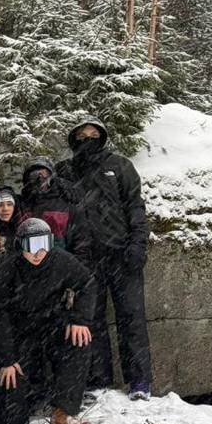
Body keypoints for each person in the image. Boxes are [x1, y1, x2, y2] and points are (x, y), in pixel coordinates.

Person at [55, 118, 153, 398]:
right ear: (74, 139)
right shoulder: (65, 171)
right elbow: (47, 203)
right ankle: (98, 380)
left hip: (122, 255)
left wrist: (138, 244)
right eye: (83, 135)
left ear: (103, 137)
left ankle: (140, 382)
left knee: (132, 318)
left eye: (94, 134)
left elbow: (135, 207)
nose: (88, 138)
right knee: (92, 318)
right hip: (85, 259)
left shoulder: (120, 165)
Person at [0, 218, 96, 424]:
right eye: (32, 245)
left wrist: (79, 319)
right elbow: (0, 316)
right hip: (21, 334)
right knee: (12, 377)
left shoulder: (60, 260)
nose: (38, 252)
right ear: (21, 245)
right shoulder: (8, 269)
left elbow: (87, 283)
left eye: (43, 244)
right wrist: (7, 357)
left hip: (54, 325)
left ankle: (63, 412)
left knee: (80, 342)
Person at [18, 158, 90, 260]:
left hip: (60, 265)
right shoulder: (21, 204)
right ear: (27, 180)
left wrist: (77, 267)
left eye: (43, 174)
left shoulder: (66, 204)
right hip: (29, 263)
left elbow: (81, 241)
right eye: (34, 175)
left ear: (51, 177)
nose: (40, 178)